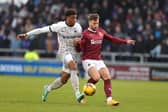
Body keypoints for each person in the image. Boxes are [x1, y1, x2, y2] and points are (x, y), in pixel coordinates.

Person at [17, 9, 85, 103]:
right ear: (67, 18)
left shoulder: (78, 27)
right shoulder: (59, 26)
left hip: (74, 53)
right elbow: (41, 30)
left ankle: (48, 89)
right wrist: (27, 34)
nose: (74, 20)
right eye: (72, 18)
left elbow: (81, 42)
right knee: (73, 66)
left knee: (64, 79)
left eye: (75, 18)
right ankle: (77, 93)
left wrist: (79, 44)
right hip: (63, 51)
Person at [78, 13, 135, 106]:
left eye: (97, 23)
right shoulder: (85, 34)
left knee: (107, 77)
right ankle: (83, 94)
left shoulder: (101, 31)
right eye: (93, 23)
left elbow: (112, 39)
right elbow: (80, 49)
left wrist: (126, 41)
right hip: (87, 60)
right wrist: (78, 44)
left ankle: (109, 100)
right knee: (96, 78)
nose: (96, 25)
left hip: (98, 60)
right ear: (89, 22)